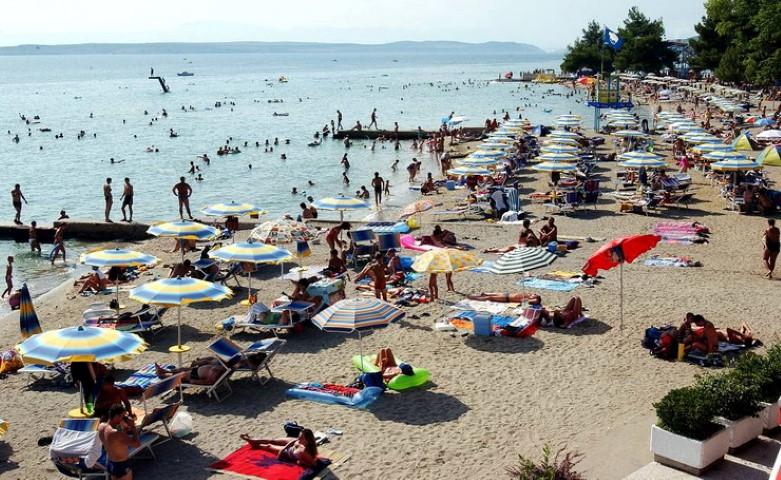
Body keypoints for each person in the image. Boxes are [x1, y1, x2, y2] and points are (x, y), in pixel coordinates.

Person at [98, 404, 141, 480]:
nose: (123, 419)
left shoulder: (101, 426)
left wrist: (123, 430)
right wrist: (133, 426)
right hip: (121, 464)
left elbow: (114, 442)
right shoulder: (116, 433)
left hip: (110, 462)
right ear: (116, 416)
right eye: (122, 416)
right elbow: (137, 444)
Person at [239, 429, 319, 468]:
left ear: (307, 440)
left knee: (269, 446)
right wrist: (284, 448)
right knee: (272, 440)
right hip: (289, 445)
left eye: (301, 437)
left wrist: (301, 462)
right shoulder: (299, 441)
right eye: (299, 436)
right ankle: (251, 440)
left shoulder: (304, 451)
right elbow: (295, 441)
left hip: (289, 453)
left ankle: (251, 441)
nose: (299, 438)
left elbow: (313, 464)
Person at [155, 359, 227, 385]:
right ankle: (165, 371)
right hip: (198, 370)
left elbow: (209, 382)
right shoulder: (220, 367)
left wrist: (195, 381)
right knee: (183, 369)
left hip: (196, 376)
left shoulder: (216, 373)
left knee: (182, 375)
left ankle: (162, 375)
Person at [467, 292, 541, 304]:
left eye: (535, 295)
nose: (534, 294)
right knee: (485, 294)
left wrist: (532, 299)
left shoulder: (528, 300)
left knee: (490, 297)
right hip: (507, 294)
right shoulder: (528, 295)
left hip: (506, 298)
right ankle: (475, 296)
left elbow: (534, 301)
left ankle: (474, 298)